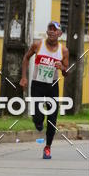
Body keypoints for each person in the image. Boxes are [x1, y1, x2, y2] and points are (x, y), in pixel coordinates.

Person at [19, 21, 69, 160]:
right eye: (50, 29)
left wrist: (62, 68)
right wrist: (24, 77)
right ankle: (38, 122)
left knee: (52, 119)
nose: (52, 31)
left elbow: (67, 71)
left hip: (53, 86)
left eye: (55, 29)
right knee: (38, 117)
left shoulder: (63, 50)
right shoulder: (38, 45)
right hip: (37, 84)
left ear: (60, 33)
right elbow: (26, 58)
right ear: (47, 32)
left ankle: (47, 147)